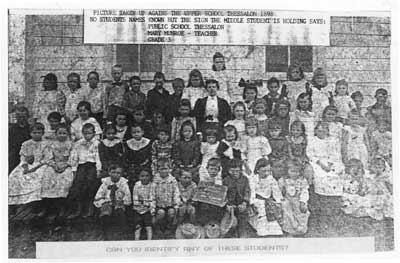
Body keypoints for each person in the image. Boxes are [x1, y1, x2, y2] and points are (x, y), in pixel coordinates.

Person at [307, 121, 344, 217]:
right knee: (320, 175)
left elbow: (335, 154)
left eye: (324, 131)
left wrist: (330, 164)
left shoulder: (332, 140)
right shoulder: (312, 140)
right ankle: (322, 199)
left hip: (330, 162)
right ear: (316, 131)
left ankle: (334, 200)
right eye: (319, 131)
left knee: (337, 173)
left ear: (327, 132)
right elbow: (310, 154)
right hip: (317, 162)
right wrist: (321, 164)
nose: (321, 133)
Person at [67, 123, 102, 219]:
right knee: (78, 183)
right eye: (85, 133)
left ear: (94, 133)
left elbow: (98, 158)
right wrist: (74, 170)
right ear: (82, 133)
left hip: (92, 165)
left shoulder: (97, 143)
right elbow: (74, 158)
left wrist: (99, 170)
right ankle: (78, 208)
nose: (87, 135)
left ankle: (89, 207)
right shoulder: (78, 144)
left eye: (90, 133)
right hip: (81, 165)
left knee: (91, 182)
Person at [9, 123, 47, 208]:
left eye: (39, 132)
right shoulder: (26, 144)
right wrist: (25, 166)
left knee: (37, 176)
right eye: (34, 132)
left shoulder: (46, 144)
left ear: (43, 133)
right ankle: (18, 202)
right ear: (30, 133)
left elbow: (46, 159)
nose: (36, 134)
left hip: (40, 165)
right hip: (27, 164)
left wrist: (34, 168)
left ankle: (35, 203)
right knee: (15, 175)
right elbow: (23, 157)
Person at [40, 123, 74, 220]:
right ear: (56, 134)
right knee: (48, 175)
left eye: (64, 133)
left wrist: (65, 166)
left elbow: (73, 158)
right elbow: (49, 157)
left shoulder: (71, 144)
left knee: (65, 178)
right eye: (60, 133)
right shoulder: (52, 144)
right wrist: (54, 165)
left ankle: (61, 207)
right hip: (54, 165)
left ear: (67, 134)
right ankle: (47, 207)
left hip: (66, 165)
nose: (62, 135)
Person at [94, 164, 131, 240]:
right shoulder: (105, 183)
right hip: (107, 203)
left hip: (119, 203)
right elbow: (98, 196)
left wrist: (122, 201)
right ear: (109, 173)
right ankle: (104, 233)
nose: (115, 175)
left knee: (120, 214)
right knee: (105, 215)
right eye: (113, 172)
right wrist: (104, 202)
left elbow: (128, 196)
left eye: (118, 173)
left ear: (121, 174)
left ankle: (122, 234)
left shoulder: (123, 183)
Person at [250, 158, 283, 236]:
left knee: (272, 217)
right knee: (261, 215)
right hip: (257, 201)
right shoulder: (253, 179)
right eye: (264, 171)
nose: (266, 173)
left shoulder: (271, 179)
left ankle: (272, 229)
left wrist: (278, 201)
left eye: (268, 170)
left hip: (268, 201)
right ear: (258, 170)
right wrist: (252, 203)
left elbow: (276, 191)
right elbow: (252, 192)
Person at [279, 159, 310, 236]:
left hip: (298, 200)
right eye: (292, 171)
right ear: (287, 171)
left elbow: (305, 191)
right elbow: (278, 191)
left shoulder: (302, 181)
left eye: (297, 172)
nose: (295, 174)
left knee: (302, 211)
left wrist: (303, 202)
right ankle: (291, 227)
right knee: (286, 208)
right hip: (288, 200)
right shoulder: (283, 180)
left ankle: (301, 228)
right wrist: (282, 195)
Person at [223, 159, 252, 238]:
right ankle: (231, 233)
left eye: (237, 171)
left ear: (240, 170)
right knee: (229, 222)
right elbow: (224, 194)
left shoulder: (244, 179)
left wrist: (245, 203)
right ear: (228, 171)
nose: (235, 173)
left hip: (241, 204)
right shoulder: (226, 180)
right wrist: (227, 205)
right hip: (231, 205)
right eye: (232, 171)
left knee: (243, 219)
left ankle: (242, 233)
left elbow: (247, 192)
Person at [153, 159, 181, 234]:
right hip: (159, 205)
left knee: (171, 212)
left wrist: (176, 205)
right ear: (158, 170)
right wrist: (152, 209)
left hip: (169, 204)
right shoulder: (155, 180)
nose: (164, 171)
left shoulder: (172, 180)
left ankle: (169, 227)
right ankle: (158, 227)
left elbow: (176, 193)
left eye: (166, 169)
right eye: (161, 169)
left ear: (169, 169)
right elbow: (152, 194)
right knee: (161, 213)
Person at [124, 123, 152, 190]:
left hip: (145, 165)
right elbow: (127, 156)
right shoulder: (128, 143)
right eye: (134, 132)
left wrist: (144, 163)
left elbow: (149, 155)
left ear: (142, 132)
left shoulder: (147, 142)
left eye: (138, 132)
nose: (136, 134)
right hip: (132, 166)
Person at [287, 121, 313, 185]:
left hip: (302, 158)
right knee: (292, 168)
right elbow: (289, 150)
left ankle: (307, 185)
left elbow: (305, 151)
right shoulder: (289, 139)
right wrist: (293, 158)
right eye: (293, 130)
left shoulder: (304, 139)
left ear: (302, 131)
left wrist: (302, 159)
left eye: (298, 130)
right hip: (292, 158)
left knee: (308, 169)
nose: (295, 132)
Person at [132, 169, 155, 240]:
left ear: (150, 177)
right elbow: (135, 199)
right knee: (138, 227)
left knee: (148, 227)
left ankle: (149, 241)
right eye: (142, 176)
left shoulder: (152, 185)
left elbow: (152, 199)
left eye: (147, 176)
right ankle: (136, 241)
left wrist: (152, 211)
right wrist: (140, 204)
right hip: (137, 210)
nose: (145, 178)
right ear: (139, 177)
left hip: (148, 210)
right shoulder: (137, 185)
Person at [9, 106, 31, 173]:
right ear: (16, 117)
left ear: (27, 117)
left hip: (28, 154)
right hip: (15, 155)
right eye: (19, 117)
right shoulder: (11, 129)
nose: (22, 119)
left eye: (24, 117)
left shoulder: (31, 129)